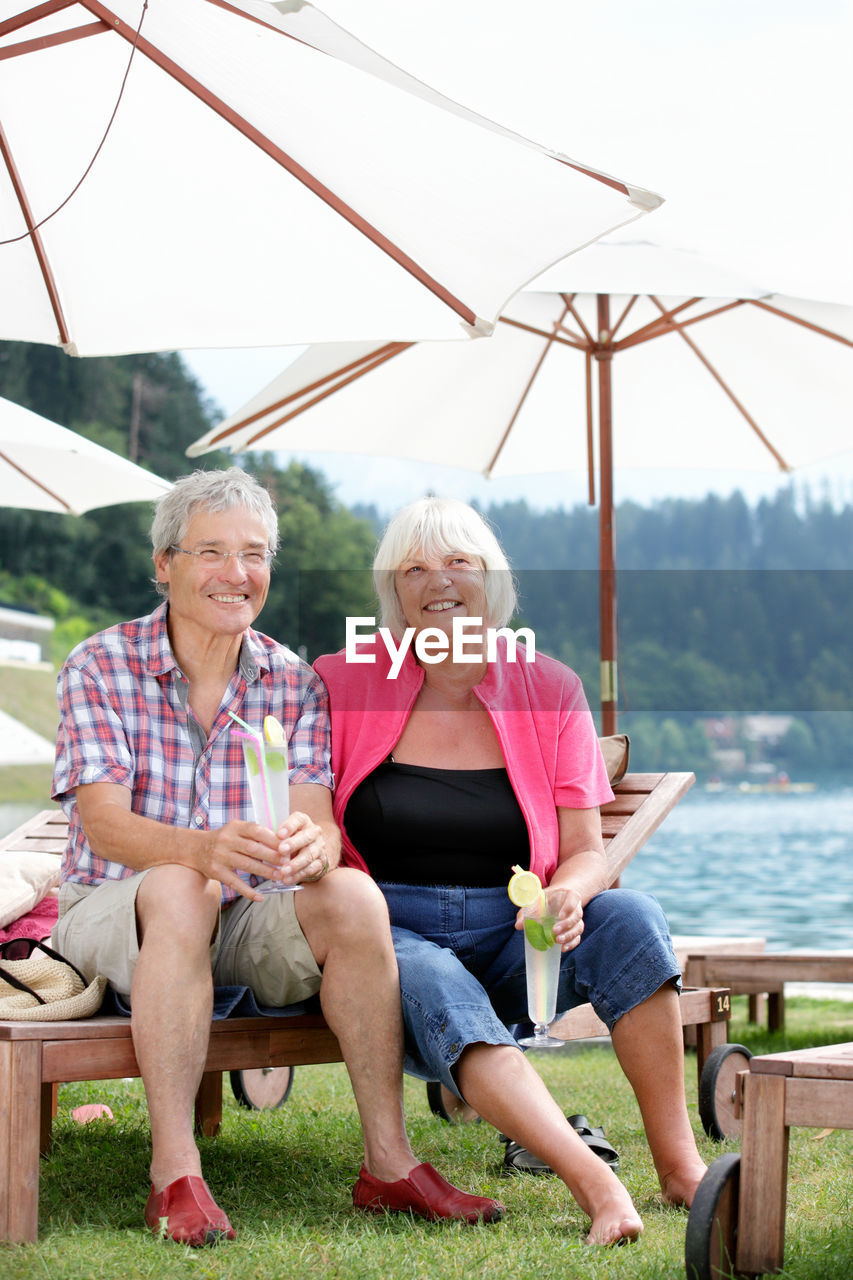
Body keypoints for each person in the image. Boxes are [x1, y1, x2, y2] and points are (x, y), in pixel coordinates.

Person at [51, 470, 503, 1246]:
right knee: (183, 889)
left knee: (355, 897)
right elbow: (105, 827)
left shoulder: (290, 682)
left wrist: (312, 848)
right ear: (165, 564)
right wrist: (200, 850)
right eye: (213, 552)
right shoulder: (100, 666)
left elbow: (318, 825)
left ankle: (388, 1165)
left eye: (254, 554)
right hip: (112, 915)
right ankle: (175, 1173)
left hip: (244, 916)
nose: (238, 574)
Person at [314, 496, 708, 1246]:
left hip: (516, 937)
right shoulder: (340, 681)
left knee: (632, 918)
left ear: (490, 580)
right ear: (391, 594)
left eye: (458, 562)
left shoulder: (549, 687)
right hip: (385, 940)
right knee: (433, 981)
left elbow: (587, 849)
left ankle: (680, 1165)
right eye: (414, 568)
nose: (438, 581)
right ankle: (597, 1187)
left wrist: (572, 889)